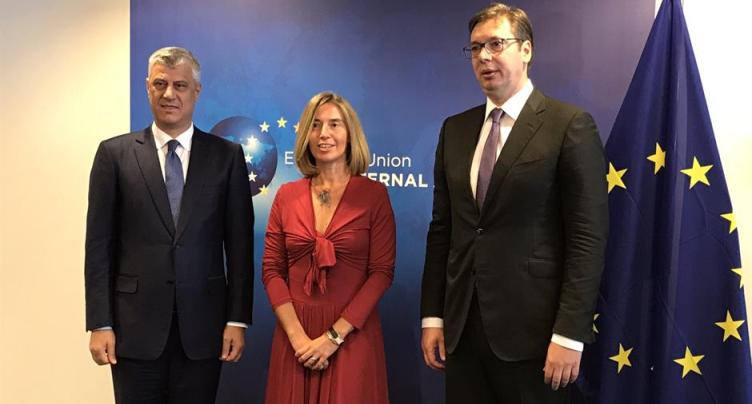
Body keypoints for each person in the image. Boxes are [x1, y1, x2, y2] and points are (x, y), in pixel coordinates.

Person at [420, 4, 608, 403]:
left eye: (496, 44)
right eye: (475, 48)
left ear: (526, 49)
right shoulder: (455, 130)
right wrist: (433, 315)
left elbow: (587, 238)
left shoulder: (568, 125)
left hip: (536, 338)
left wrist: (569, 333)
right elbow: (443, 230)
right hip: (462, 332)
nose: (484, 56)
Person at [85, 46, 254, 404]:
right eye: (160, 84)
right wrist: (100, 323)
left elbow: (240, 246)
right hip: (133, 331)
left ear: (196, 91)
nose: (169, 94)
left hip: (205, 330)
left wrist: (237, 319)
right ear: (147, 87)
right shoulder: (114, 155)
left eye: (180, 85)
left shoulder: (226, 157)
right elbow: (98, 246)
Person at [262, 92, 395, 404]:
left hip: (351, 336)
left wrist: (333, 338)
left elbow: (381, 273)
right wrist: (298, 339)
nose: (324, 134)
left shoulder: (374, 195)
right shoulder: (286, 195)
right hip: (295, 339)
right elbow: (271, 270)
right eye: (315, 125)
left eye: (334, 124)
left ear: (350, 133)